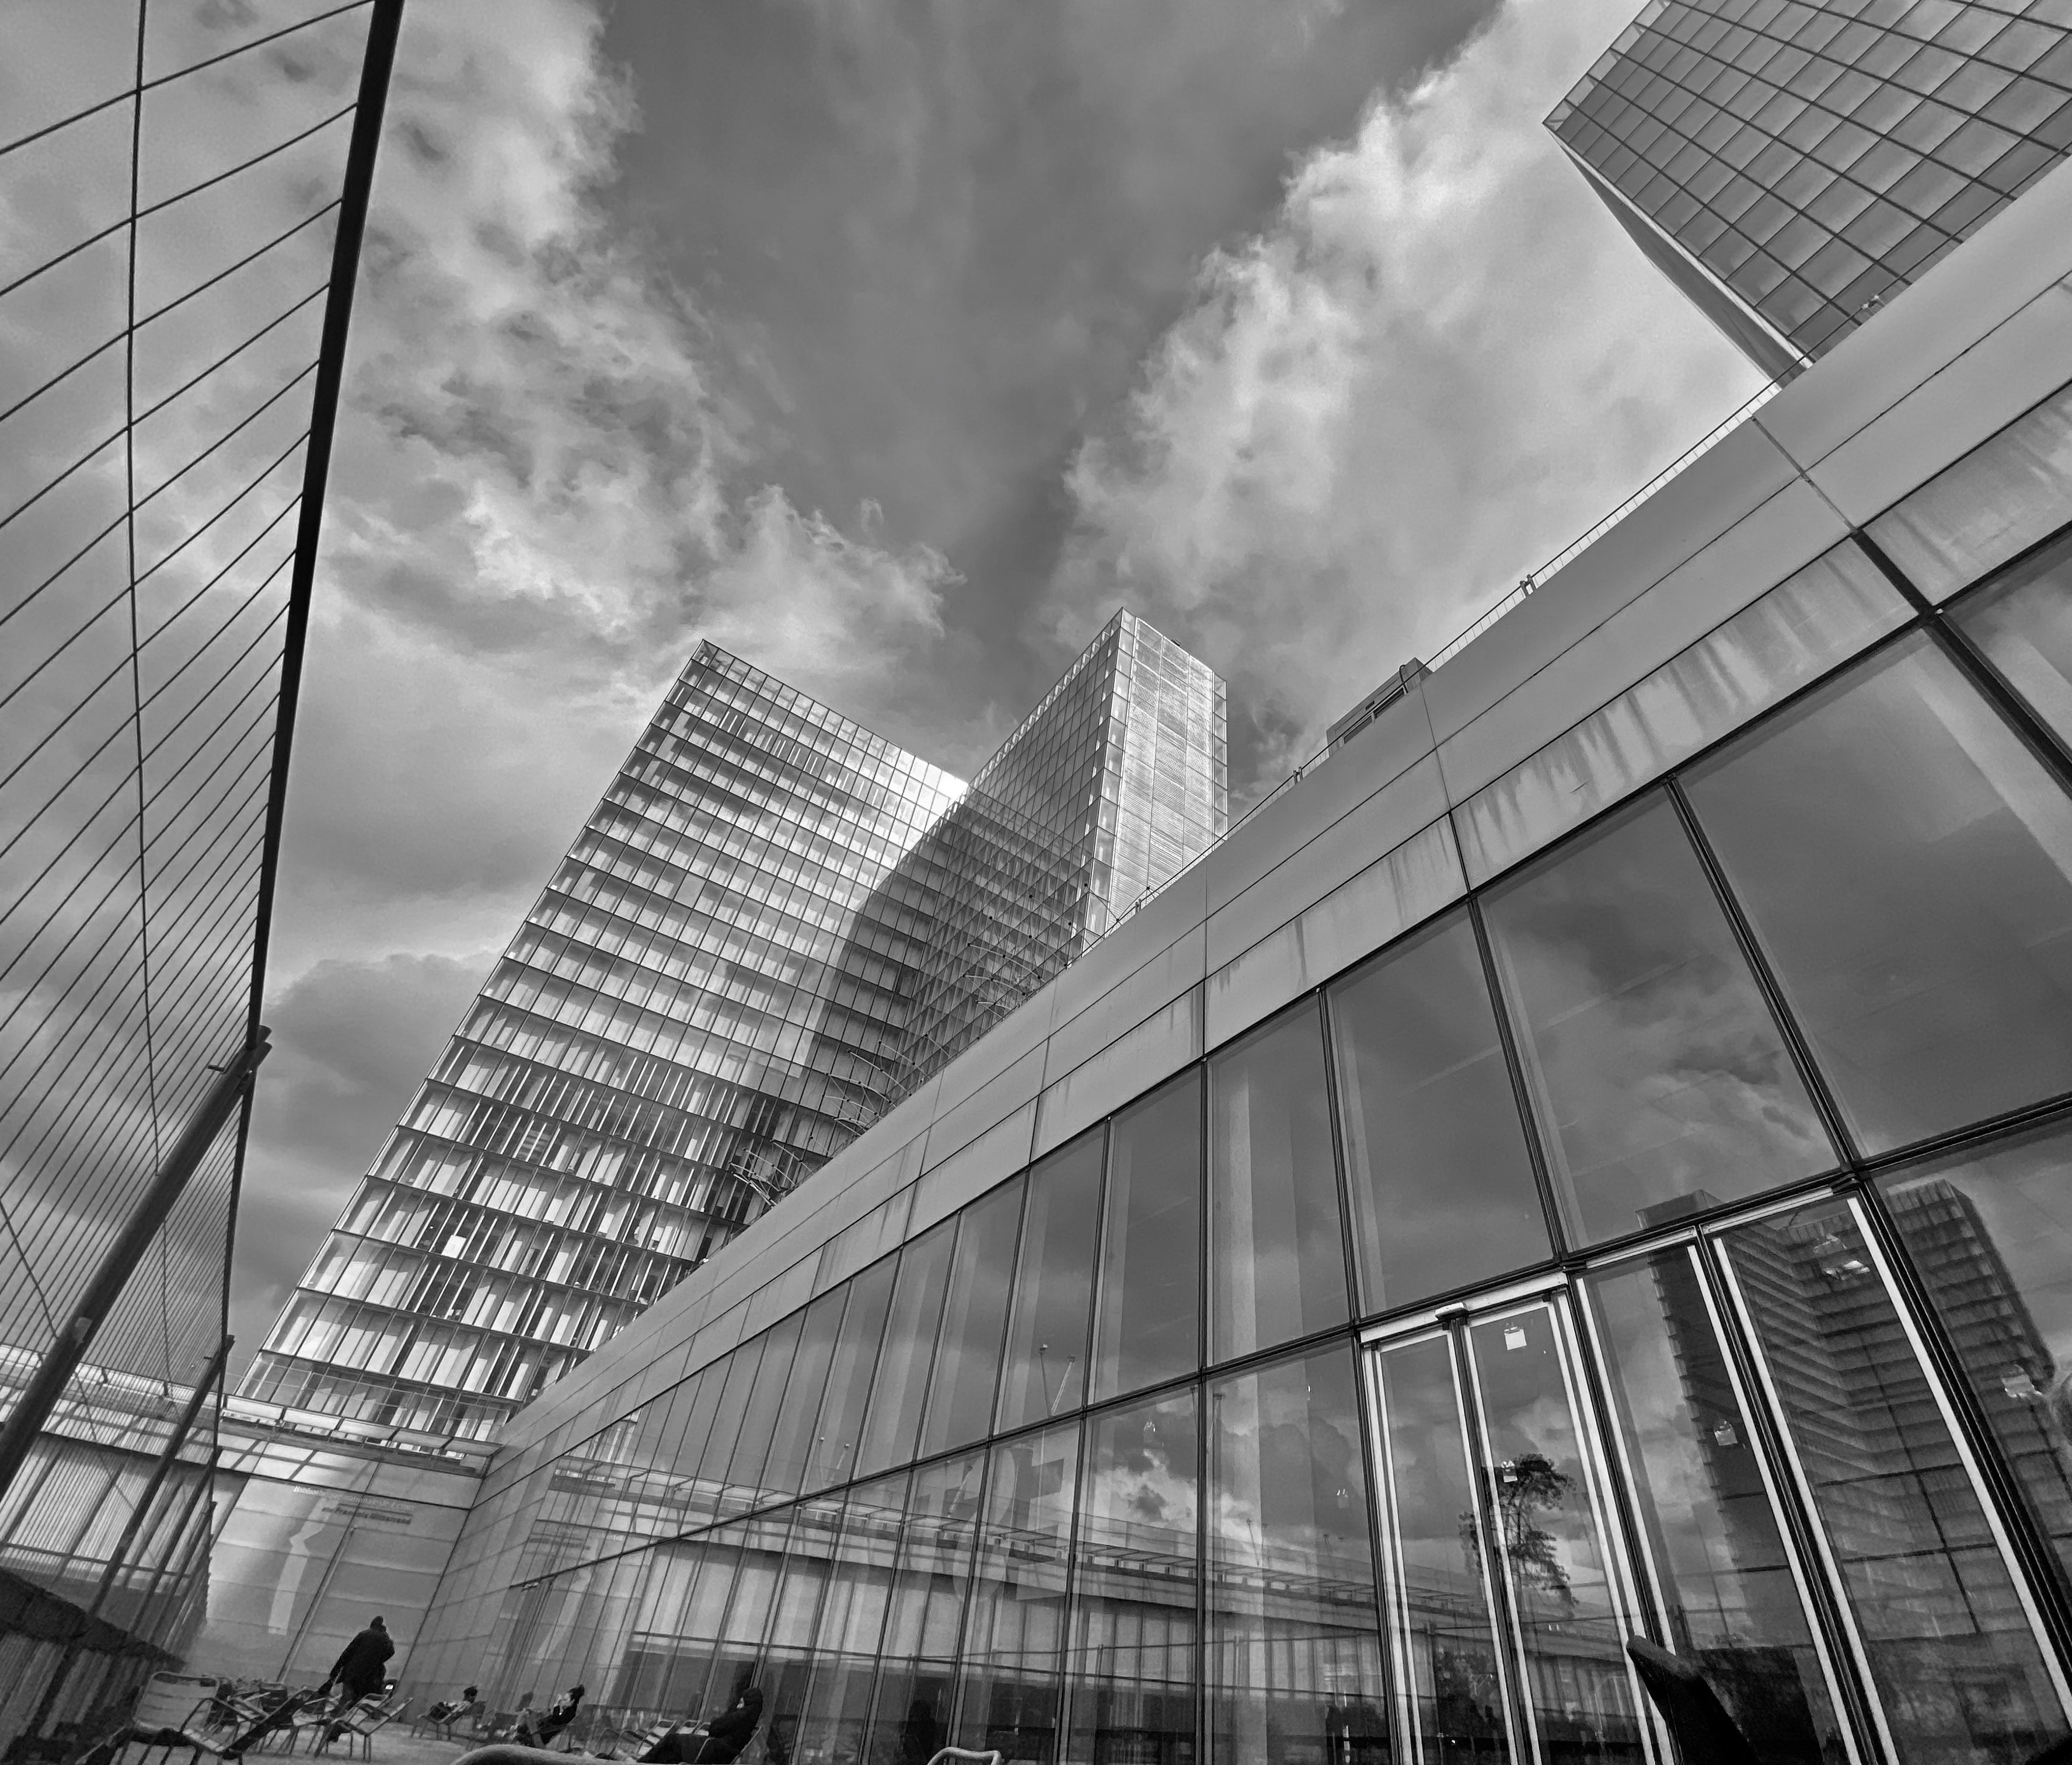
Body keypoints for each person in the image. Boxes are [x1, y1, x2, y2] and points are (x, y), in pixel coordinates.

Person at [638, 1678, 762, 1765]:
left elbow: (715, 1728)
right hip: (716, 1750)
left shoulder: (740, 1717)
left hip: (711, 1750)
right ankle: (645, 1762)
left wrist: (731, 1713)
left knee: (671, 1740)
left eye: (741, 1702)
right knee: (672, 1750)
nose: (738, 1705)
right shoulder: (748, 1721)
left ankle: (642, 1762)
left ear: (747, 1702)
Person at [319, 1616, 395, 1740]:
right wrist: (378, 1661)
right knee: (354, 1705)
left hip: (352, 1674)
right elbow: (391, 1652)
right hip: (369, 1678)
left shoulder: (364, 1635)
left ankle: (333, 1730)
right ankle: (339, 1729)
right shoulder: (385, 1639)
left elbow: (347, 1653)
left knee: (346, 1701)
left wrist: (335, 1672)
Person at [519, 1684, 584, 1748]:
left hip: (541, 1735)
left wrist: (556, 1705)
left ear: (572, 1701)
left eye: (565, 1700)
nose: (562, 1702)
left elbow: (557, 1720)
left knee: (527, 1718)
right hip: (540, 1731)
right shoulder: (569, 1710)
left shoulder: (570, 1713)